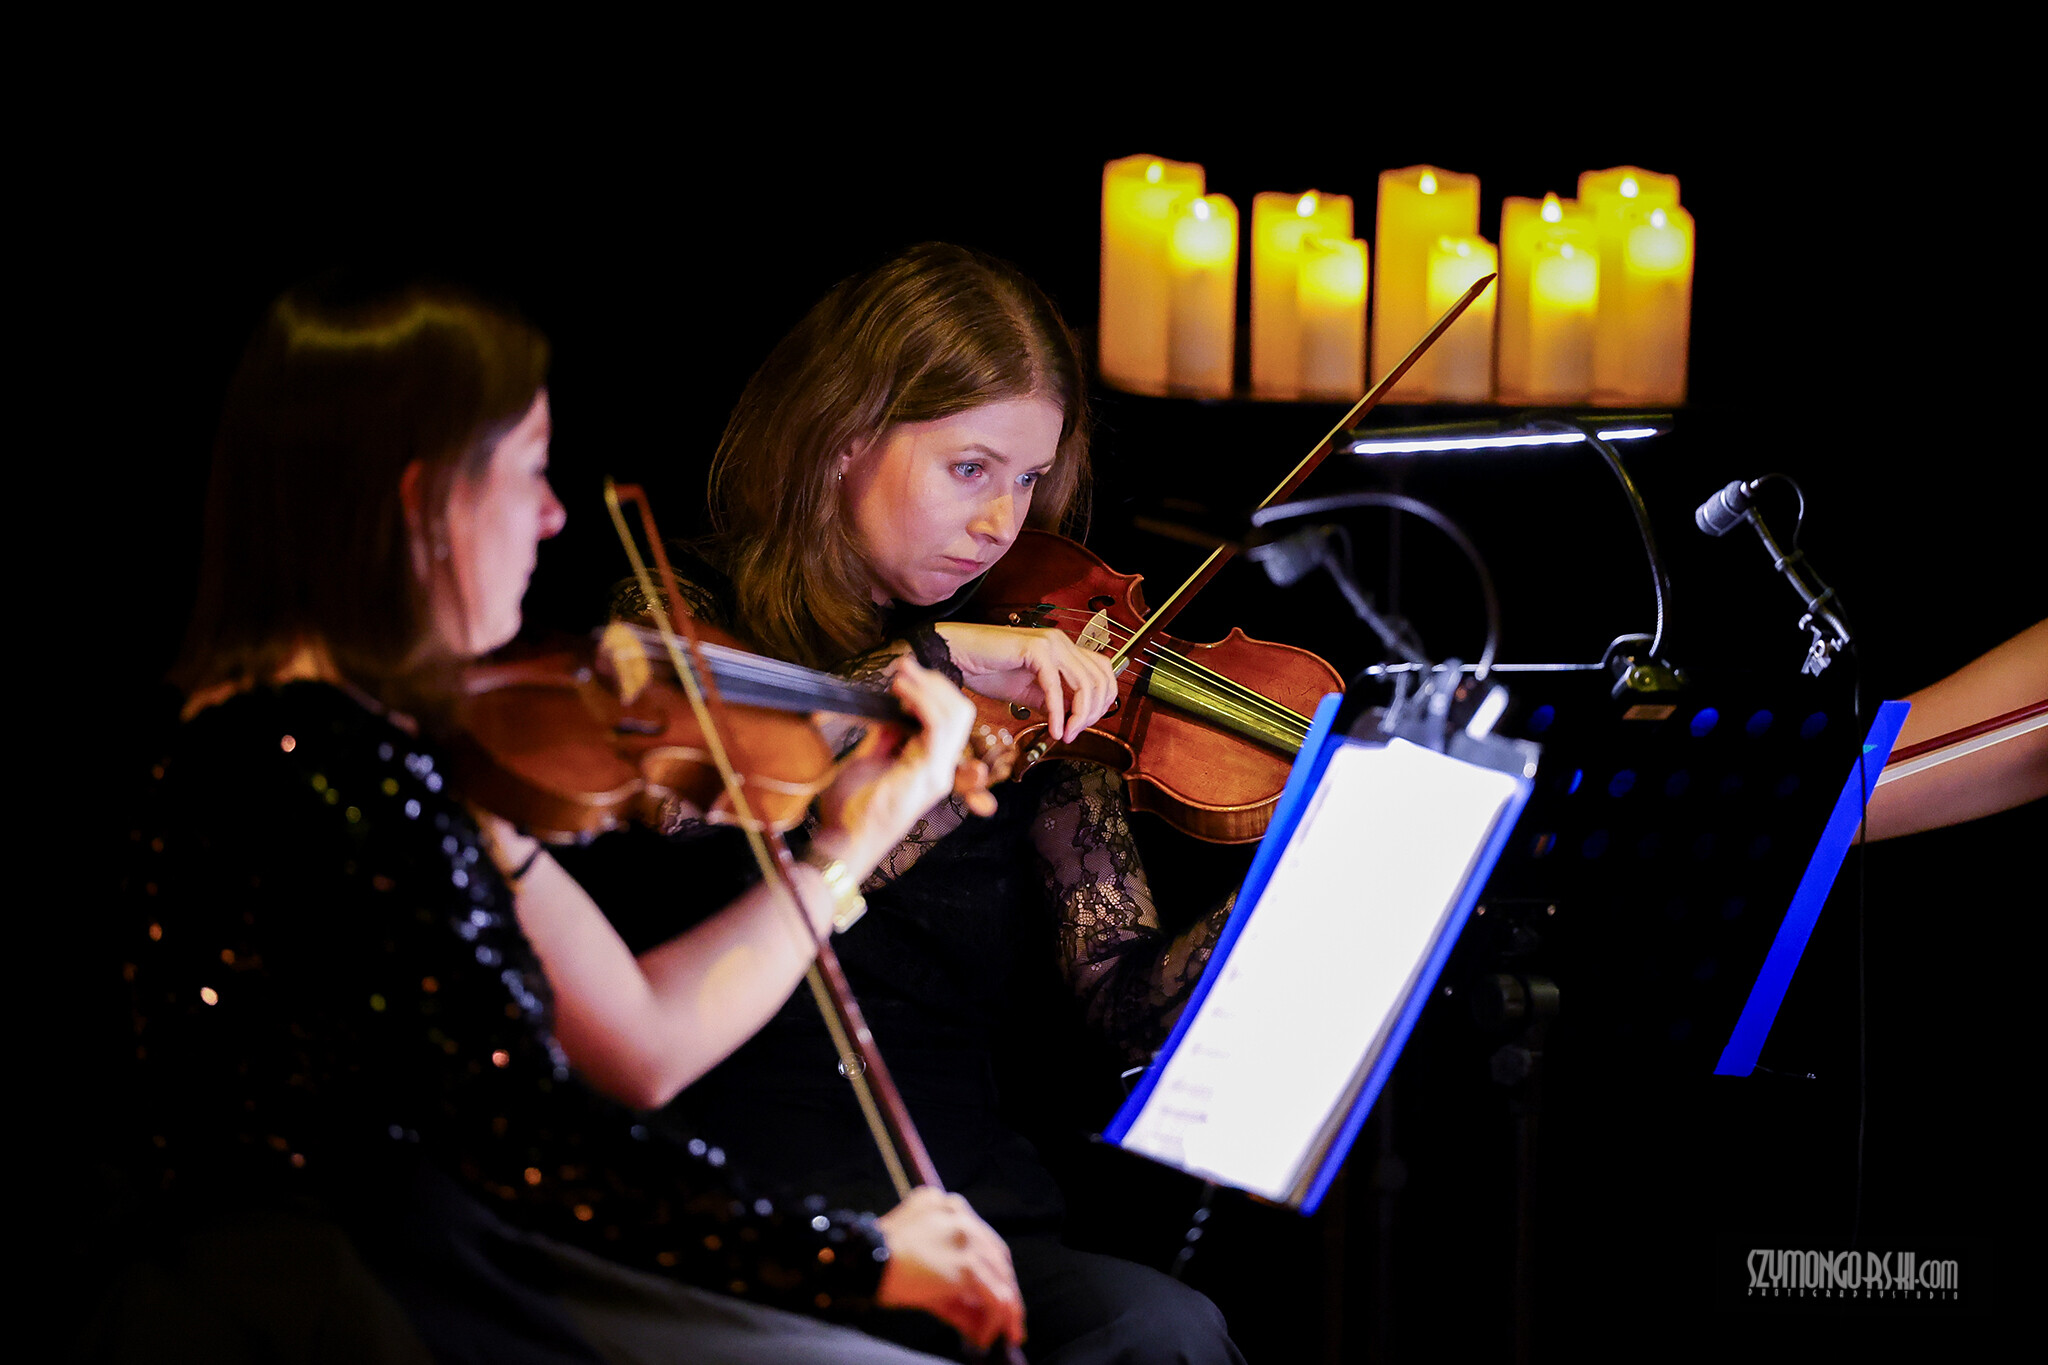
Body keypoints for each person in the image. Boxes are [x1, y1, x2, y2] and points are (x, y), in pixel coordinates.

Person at [101, 277, 1029, 1364]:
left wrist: (848, 845)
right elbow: (548, 1147)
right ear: (428, 502)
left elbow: (645, 1041)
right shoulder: (311, 764)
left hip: (431, 1260)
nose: (552, 515)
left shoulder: (387, 750)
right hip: (347, 1297)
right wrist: (855, 1254)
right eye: (530, 472)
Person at [578, 244, 1245, 1364]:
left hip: (960, 1204)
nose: (1002, 523)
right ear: (845, 436)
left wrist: (1279, 897)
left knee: (1164, 1330)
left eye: (1028, 480)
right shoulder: (684, 607)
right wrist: (936, 657)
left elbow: (1123, 1008)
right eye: (970, 468)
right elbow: (689, 803)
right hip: (735, 1200)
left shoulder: (1035, 686)